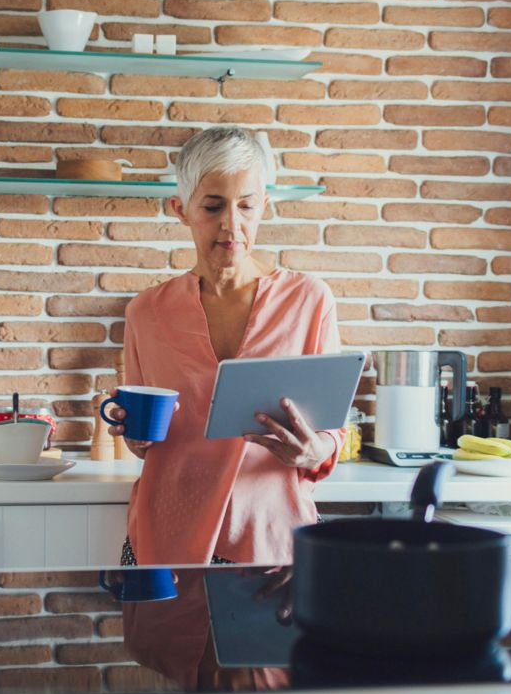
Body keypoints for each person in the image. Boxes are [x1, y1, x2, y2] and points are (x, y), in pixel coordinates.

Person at [107, 126, 345, 566]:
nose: (231, 225)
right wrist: (132, 435)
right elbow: (145, 442)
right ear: (181, 209)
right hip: (166, 539)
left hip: (270, 537)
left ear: (265, 207)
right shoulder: (145, 311)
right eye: (213, 206)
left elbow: (331, 429)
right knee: (163, 639)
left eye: (247, 206)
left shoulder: (309, 300)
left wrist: (318, 449)